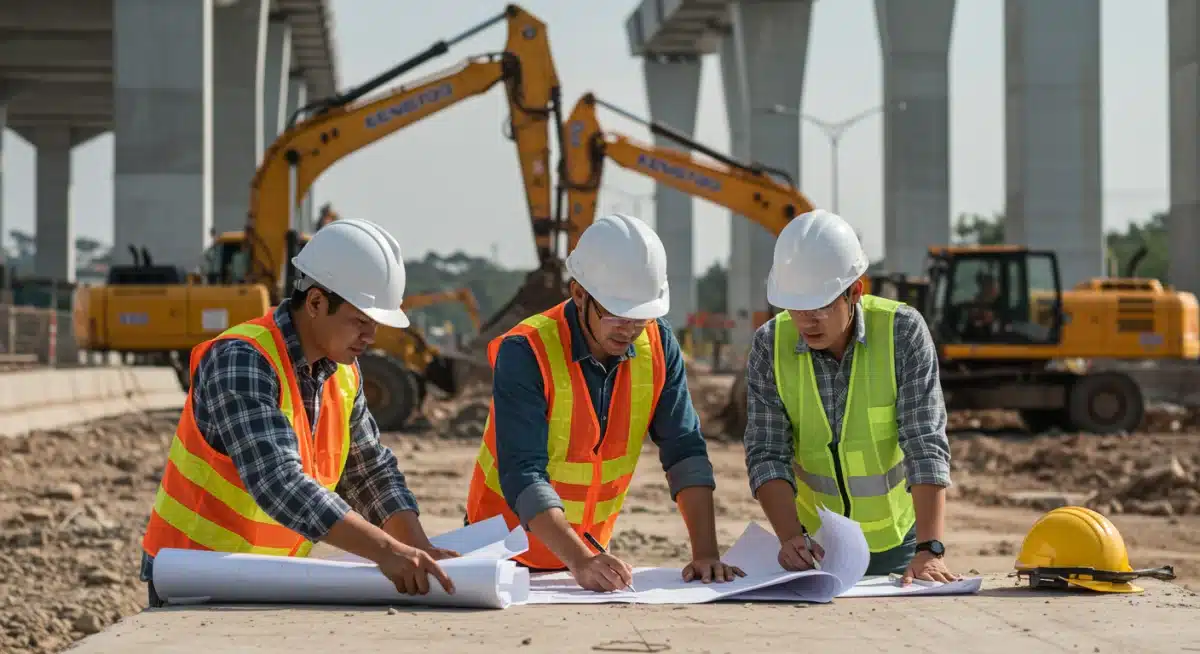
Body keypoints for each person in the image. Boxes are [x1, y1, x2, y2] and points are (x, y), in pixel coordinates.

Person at [139, 218, 458, 606]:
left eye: (375, 324)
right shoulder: (242, 360)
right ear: (316, 302)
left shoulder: (343, 372)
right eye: (360, 321)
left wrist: (417, 547)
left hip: (270, 578)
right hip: (195, 575)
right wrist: (386, 552)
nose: (370, 337)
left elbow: (369, 469)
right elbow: (278, 482)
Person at [464, 213, 745, 592]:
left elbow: (684, 450)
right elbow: (522, 471)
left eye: (641, 316)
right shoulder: (527, 351)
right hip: (500, 558)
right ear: (579, 293)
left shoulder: (658, 346)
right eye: (617, 314)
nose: (630, 328)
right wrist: (579, 560)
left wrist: (706, 553)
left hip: (586, 561)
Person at [742, 209, 960, 585]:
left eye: (822, 305)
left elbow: (924, 442)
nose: (807, 320)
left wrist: (930, 549)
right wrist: (790, 537)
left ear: (856, 291)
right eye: (796, 306)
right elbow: (766, 452)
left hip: (900, 545)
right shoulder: (769, 345)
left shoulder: (901, 333)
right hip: (815, 550)